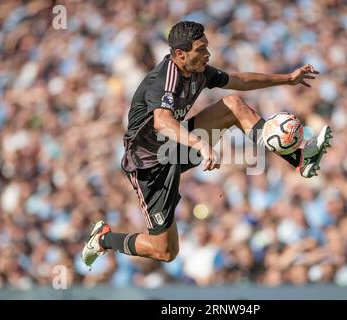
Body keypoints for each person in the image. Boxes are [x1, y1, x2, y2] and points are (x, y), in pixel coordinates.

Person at [81, 21, 332, 266]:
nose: (207, 54)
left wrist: (287, 78)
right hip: (149, 166)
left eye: (207, 47)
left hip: (175, 146)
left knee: (233, 105)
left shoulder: (199, 70)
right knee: (165, 251)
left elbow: (241, 80)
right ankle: (104, 239)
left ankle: (300, 159)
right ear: (180, 54)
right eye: (201, 50)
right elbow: (161, 121)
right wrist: (199, 144)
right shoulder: (164, 80)